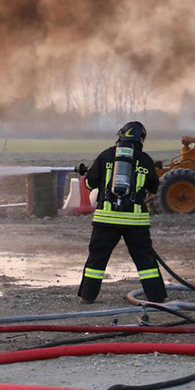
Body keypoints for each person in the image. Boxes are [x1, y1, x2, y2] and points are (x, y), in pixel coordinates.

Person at [75, 121, 167, 305]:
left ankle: (87, 296)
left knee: (97, 258)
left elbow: (90, 183)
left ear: (121, 135)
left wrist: (87, 174)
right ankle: (156, 296)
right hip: (135, 222)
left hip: (106, 219)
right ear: (140, 139)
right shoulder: (145, 159)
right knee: (145, 260)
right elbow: (154, 187)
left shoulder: (106, 156)